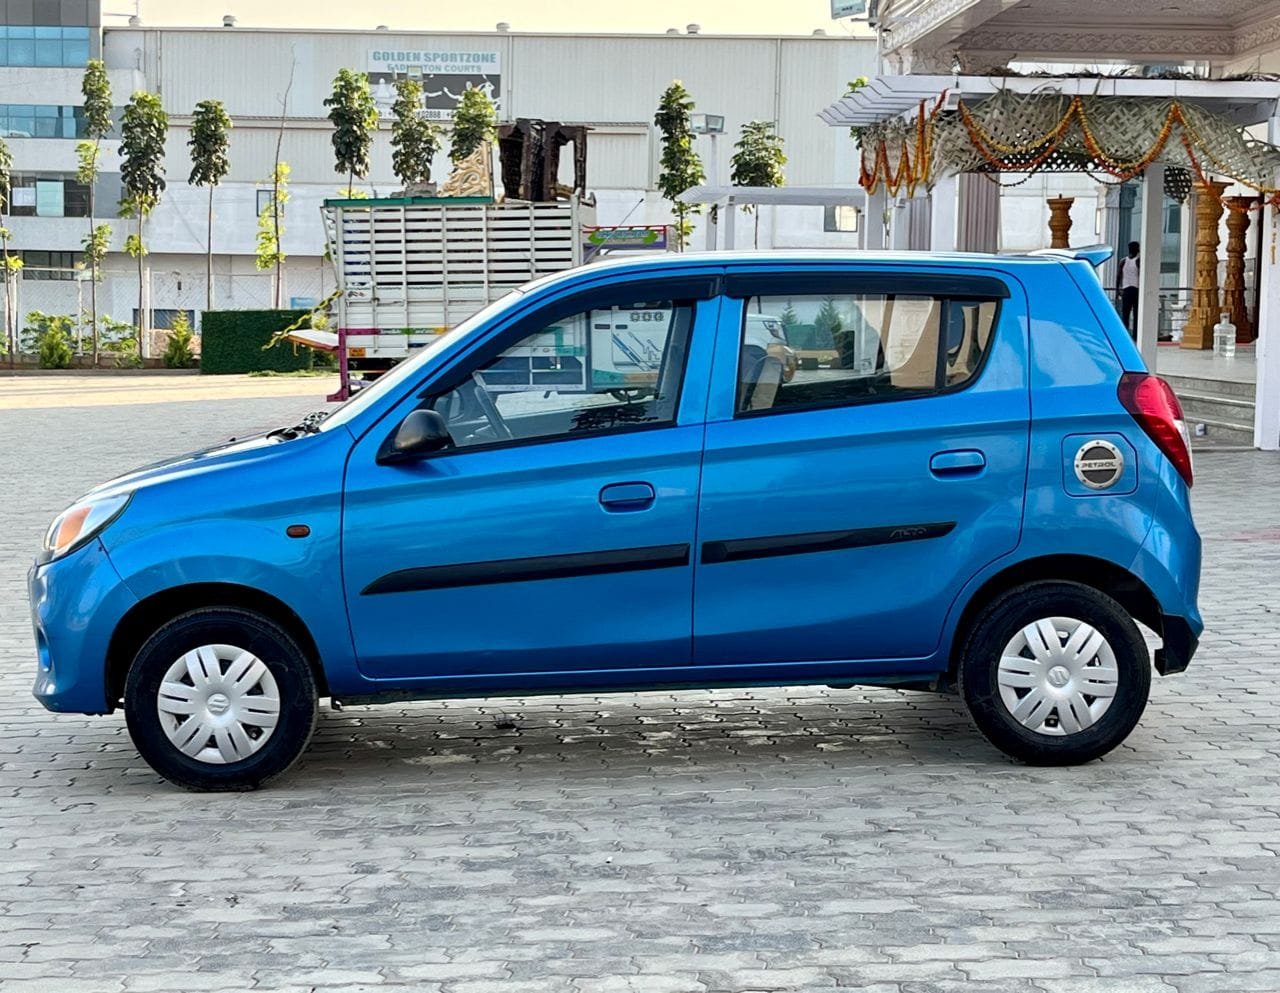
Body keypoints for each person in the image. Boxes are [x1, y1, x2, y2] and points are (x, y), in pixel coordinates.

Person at [1117, 241, 1140, 337]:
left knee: (1125, 313)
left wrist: (1117, 289)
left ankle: (1125, 334)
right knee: (1136, 314)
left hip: (1126, 289)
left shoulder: (1123, 261)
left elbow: (1118, 276)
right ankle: (1135, 334)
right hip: (1136, 289)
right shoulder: (1138, 261)